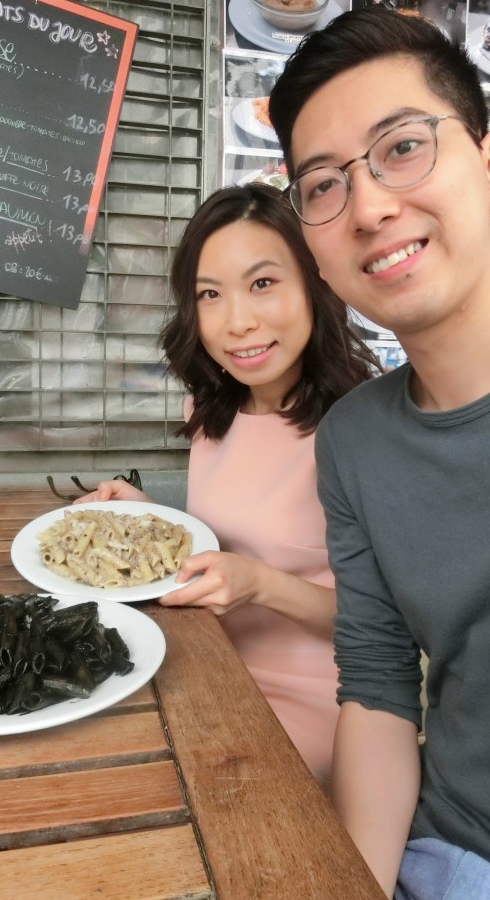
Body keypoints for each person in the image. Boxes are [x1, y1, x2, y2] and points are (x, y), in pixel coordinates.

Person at [267, 8, 490, 900]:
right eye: (324, 185)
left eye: (402, 147)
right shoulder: (355, 441)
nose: (369, 206)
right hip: (452, 856)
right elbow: (375, 689)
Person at [78, 182, 379, 785]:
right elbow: (223, 537)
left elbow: (386, 630)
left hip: (320, 699)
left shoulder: (363, 426)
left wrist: (263, 585)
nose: (238, 322)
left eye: (263, 283)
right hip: (199, 661)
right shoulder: (213, 408)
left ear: (314, 285)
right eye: (210, 294)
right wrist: (144, 517)